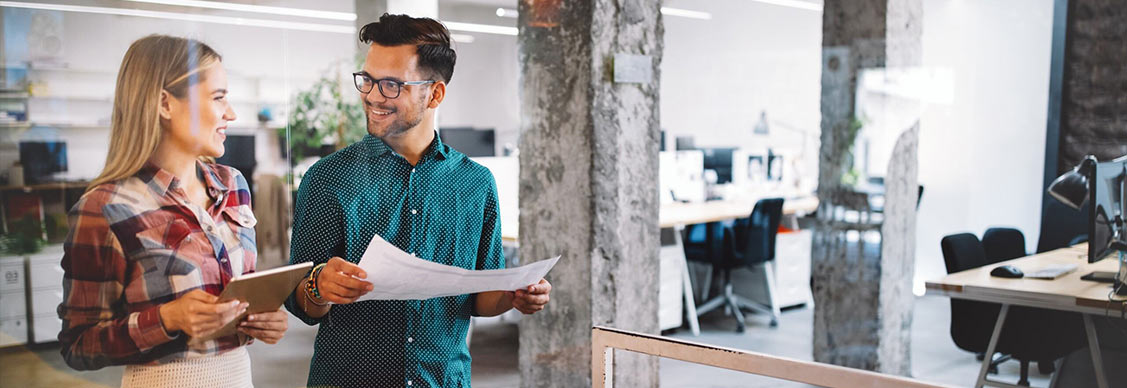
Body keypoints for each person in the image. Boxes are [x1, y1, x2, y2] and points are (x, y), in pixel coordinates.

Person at [284, 14, 552, 387]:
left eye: (392, 84)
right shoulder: (329, 179)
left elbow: (479, 299)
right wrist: (319, 286)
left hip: (442, 379)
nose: (374, 96)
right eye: (368, 80)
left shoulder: (474, 184)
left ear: (435, 93)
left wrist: (515, 295)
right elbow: (299, 300)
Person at [57, 35, 287, 387]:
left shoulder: (234, 186)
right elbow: (78, 345)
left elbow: (241, 299)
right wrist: (166, 319)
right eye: (218, 97)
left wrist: (262, 321)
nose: (231, 113)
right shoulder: (104, 208)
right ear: (165, 104)